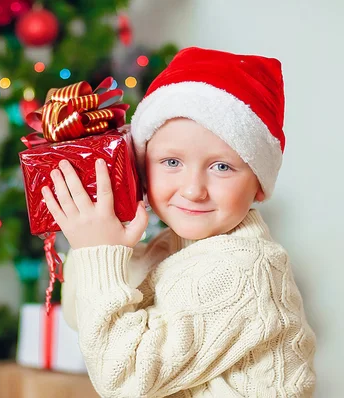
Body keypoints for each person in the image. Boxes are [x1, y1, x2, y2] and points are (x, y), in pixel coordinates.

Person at [41, 47, 316, 397]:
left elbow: (124, 380)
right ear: (141, 169)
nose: (193, 189)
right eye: (171, 162)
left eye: (222, 167)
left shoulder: (245, 268)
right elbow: (83, 320)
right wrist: (91, 243)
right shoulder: (164, 252)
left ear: (259, 186)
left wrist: (99, 251)